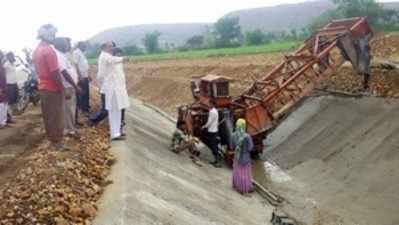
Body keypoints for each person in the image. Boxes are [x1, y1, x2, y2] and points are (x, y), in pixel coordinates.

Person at [33, 24, 66, 151]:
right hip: (52, 89)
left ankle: (52, 140)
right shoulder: (49, 50)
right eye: (53, 34)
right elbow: (54, 72)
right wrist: (62, 88)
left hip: (43, 86)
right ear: (48, 34)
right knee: (56, 116)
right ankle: (57, 143)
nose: (54, 36)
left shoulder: (37, 50)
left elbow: (38, 70)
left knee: (48, 116)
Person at [100, 41, 130, 141]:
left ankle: (116, 132)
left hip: (116, 89)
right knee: (114, 111)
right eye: (110, 46)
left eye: (113, 46)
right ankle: (114, 134)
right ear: (105, 47)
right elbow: (112, 60)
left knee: (117, 111)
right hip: (112, 89)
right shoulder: (105, 56)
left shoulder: (108, 56)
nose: (112, 48)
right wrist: (123, 58)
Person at [53, 37, 81, 137]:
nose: (67, 46)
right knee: (69, 109)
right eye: (65, 44)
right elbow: (64, 72)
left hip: (69, 85)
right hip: (67, 86)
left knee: (70, 108)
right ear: (60, 44)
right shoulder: (58, 55)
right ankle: (70, 130)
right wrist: (75, 86)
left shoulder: (62, 55)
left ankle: (70, 128)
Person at [231, 118, 254, 196]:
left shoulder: (233, 135)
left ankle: (236, 186)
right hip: (245, 158)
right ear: (244, 126)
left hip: (237, 157)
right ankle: (244, 190)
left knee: (237, 172)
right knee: (245, 174)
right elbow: (250, 148)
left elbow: (232, 147)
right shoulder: (247, 136)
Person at [202, 99, 222, 168]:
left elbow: (209, 122)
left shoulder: (211, 112)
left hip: (211, 131)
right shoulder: (215, 111)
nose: (208, 104)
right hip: (215, 130)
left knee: (213, 146)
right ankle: (216, 161)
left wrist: (204, 126)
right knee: (214, 146)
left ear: (212, 104)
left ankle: (218, 162)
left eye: (209, 103)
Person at [74, 41, 90, 115]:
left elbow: (84, 65)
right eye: (84, 46)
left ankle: (86, 107)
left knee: (86, 93)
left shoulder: (81, 53)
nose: (85, 47)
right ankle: (83, 110)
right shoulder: (77, 52)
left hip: (85, 75)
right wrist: (79, 76)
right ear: (80, 46)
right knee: (83, 93)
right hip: (81, 77)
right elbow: (76, 65)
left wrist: (88, 75)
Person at [4, 52, 18, 123]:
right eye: (12, 56)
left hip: (14, 83)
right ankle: (9, 118)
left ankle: (11, 116)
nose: (13, 57)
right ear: (8, 57)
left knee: (14, 100)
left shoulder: (13, 63)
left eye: (13, 56)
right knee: (10, 101)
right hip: (9, 85)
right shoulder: (6, 65)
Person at [0, 51, 8, 128]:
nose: (3, 58)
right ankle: (2, 122)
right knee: (2, 105)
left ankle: (4, 121)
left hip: (4, 87)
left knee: (4, 104)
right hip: (1, 88)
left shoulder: (2, 67)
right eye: (2, 57)